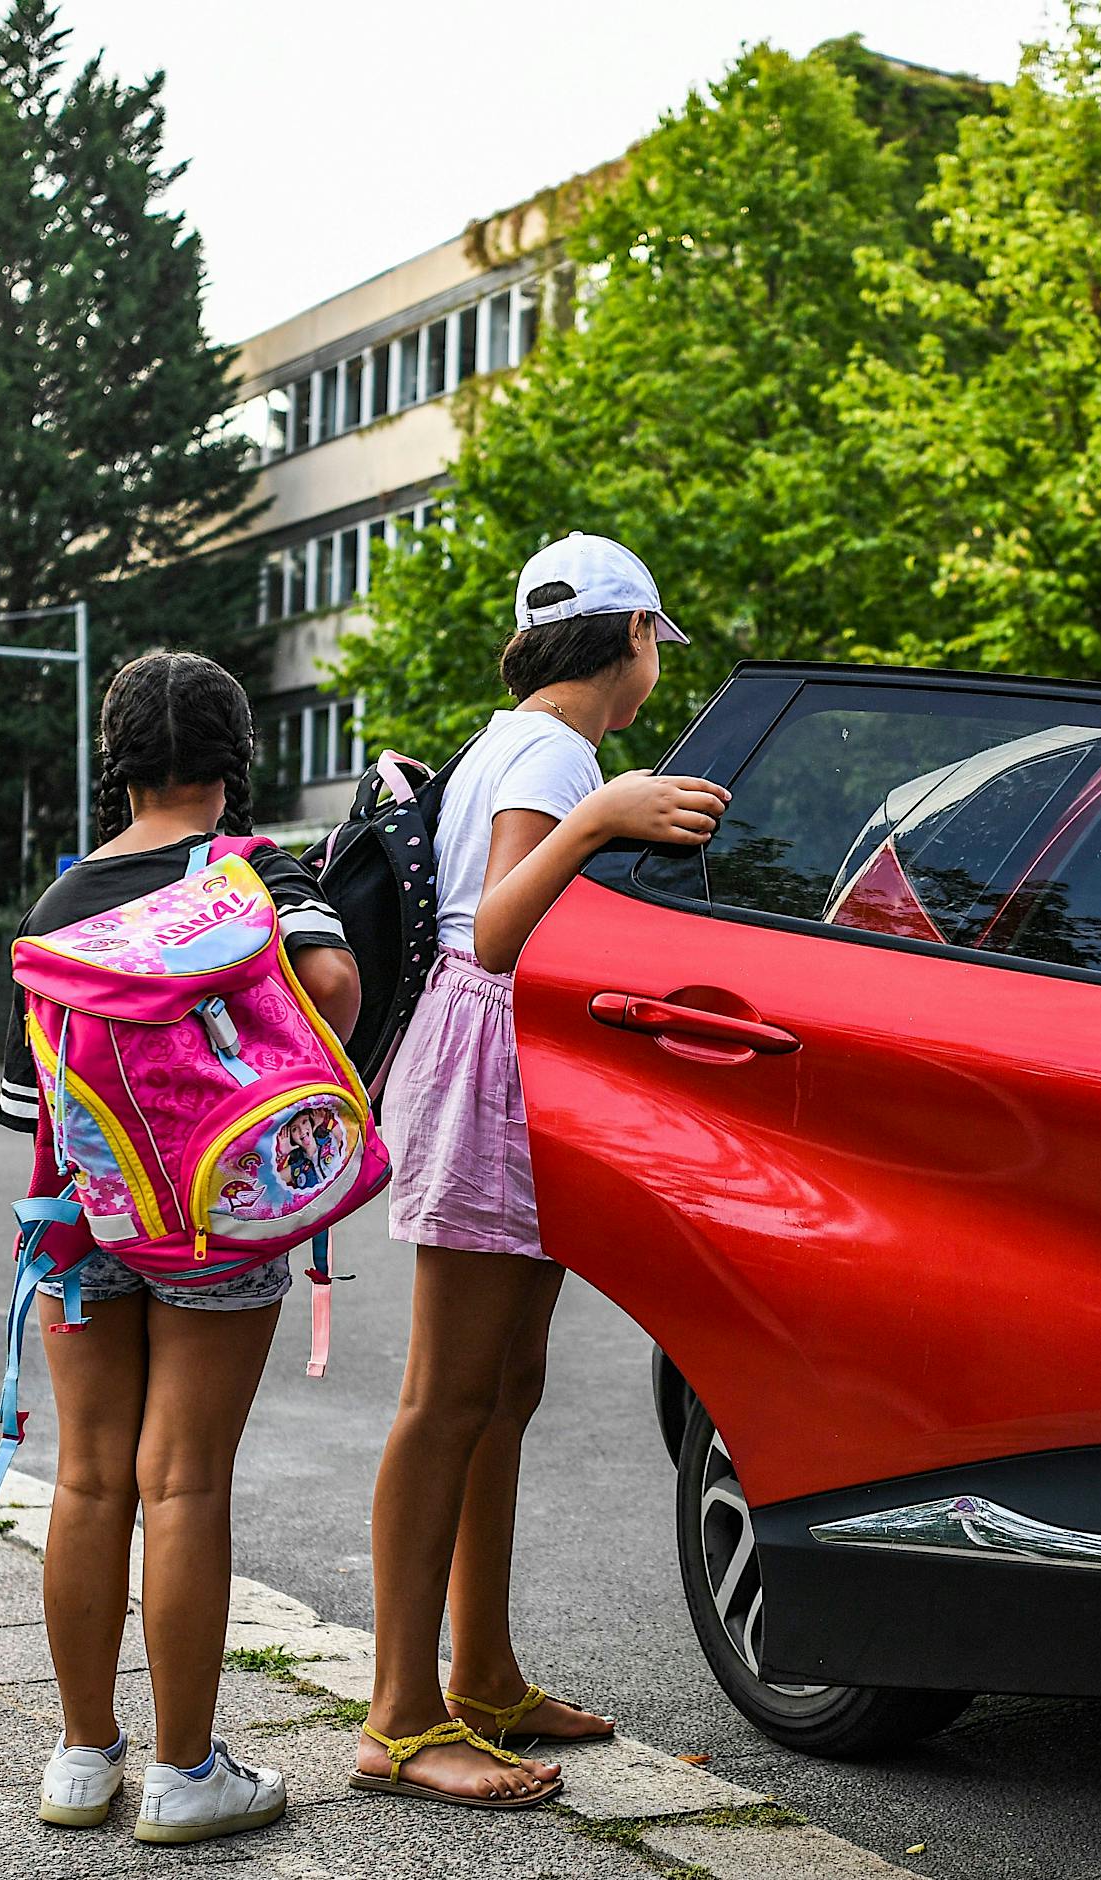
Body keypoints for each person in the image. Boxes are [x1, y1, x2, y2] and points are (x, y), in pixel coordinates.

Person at [355, 533, 729, 1809]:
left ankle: (488, 1676)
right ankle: (401, 1715)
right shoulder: (560, 753)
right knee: (446, 1396)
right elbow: (504, 929)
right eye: (651, 648)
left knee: (501, 1387)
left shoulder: (516, 738)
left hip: (497, 1070)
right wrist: (603, 815)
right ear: (628, 640)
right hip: (485, 1066)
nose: (652, 675)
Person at [0, 651, 363, 1843]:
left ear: (119, 764)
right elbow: (331, 980)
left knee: (91, 1476)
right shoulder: (254, 872)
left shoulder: (61, 903)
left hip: (85, 1216)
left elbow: (24, 1106)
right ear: (231, 757)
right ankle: (185, 1771)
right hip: (220, 1210)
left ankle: (80, 1757)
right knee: (185, 1479)